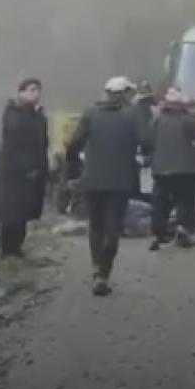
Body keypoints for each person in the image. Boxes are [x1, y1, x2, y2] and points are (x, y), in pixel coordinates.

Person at [64, 77, 148, 296]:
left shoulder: (90, 113)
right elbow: (147, 141)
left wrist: (75, 166)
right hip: (121, 181)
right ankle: (104, 272)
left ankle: (96, 268)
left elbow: (74, 143)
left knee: (96, 225)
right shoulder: (132, 115)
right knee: (113, 228)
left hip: (93, 179)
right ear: (125, 94)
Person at [0, 78, 50, 259]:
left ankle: (17, 248)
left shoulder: (38, 116)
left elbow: (42, 143)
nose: (35, 94)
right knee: (10, 214)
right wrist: (26, 167)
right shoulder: (14, 113)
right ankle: (7, 250)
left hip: (32, 173)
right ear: (21, 93)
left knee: (23, 213)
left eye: (38, 90)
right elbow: (14, 137)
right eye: (31, 90)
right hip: (12, 173)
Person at [148, 88, 195, 250]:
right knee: (187, 199)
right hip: (187, 168)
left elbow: (148, 141)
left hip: (161, 169)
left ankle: (158, 233)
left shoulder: (156, 119)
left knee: (161, 201)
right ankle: (185, 229)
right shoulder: (188, 120)